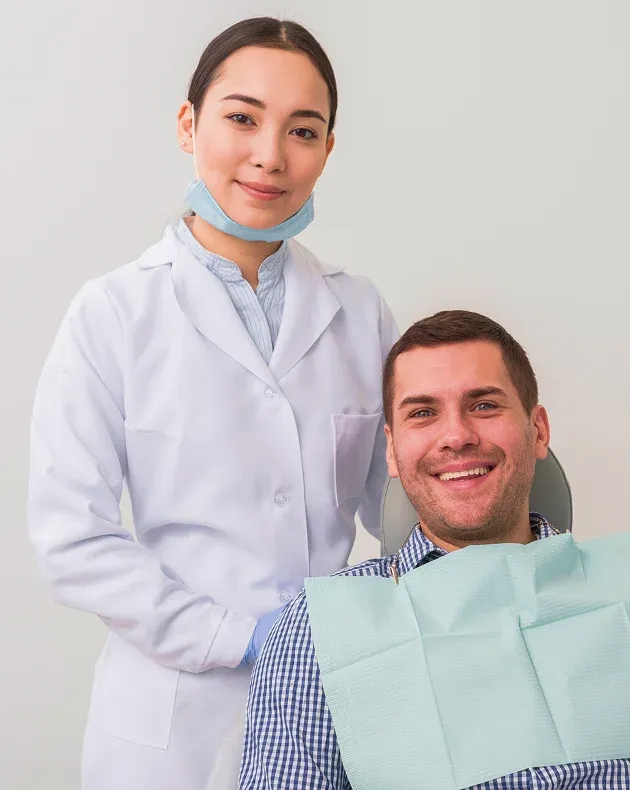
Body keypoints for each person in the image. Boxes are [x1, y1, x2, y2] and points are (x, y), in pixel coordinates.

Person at [27, 17, 397, 790]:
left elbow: (398, 508)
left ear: (327, 150)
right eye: (241, 117)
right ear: (188, 124)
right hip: (170, 721)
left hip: (330, 705)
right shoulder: (113, 313)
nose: (269, 154)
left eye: (303, 129)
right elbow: (72, 540)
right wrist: (242, 637)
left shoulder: (360, 314)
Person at [239, 309, 630, 789]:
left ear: (538, 431)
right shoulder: (319, 630)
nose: (457, 436)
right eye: (424, 413)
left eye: (485, 405)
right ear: (391, 448)